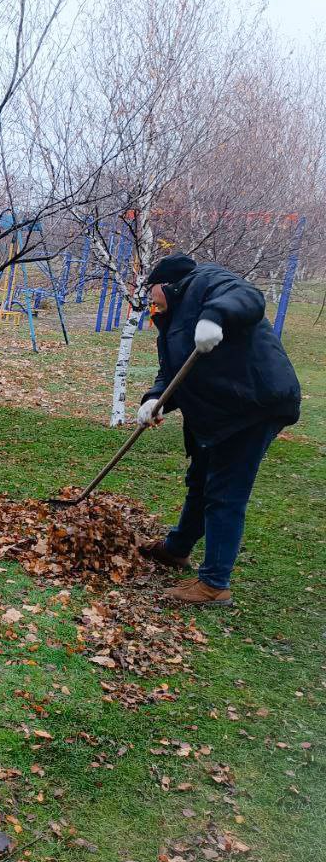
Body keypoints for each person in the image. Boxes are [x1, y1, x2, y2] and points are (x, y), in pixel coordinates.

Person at [135, 253, 301, 606]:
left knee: (224, 492)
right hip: (218, 411)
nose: (149, 298)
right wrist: (155, 399)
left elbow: (249, 298)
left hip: (251, 405)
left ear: (167, 283)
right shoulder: (170, 320)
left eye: (150, 289)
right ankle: (177, 549)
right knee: (200, 481)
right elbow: (172, 371)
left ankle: (214, 585)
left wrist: (214, 317)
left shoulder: (207, 281)